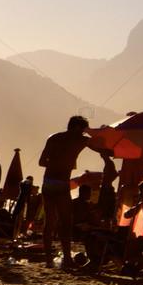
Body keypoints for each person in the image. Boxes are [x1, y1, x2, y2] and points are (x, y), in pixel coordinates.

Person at [38, 115, 109, 269]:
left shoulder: (53, 138)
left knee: (49, 222)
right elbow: (101, 146)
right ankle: (67, 259)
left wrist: (56, 162)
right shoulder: (80, 140)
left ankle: (49, 260)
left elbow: (42, 161)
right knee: (66, 221)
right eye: (83, 129)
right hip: (62, 183)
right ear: (77, 128)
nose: (84, 133)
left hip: (48, 182)